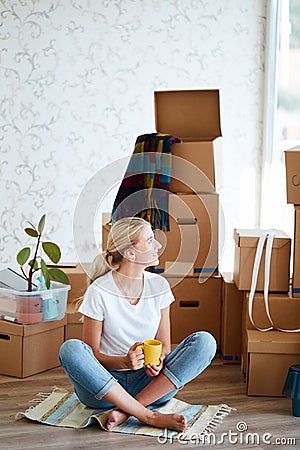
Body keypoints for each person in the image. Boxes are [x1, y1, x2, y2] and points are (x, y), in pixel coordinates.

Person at [59, 217, 216, 432]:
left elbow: (164, 345)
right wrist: (124, 362)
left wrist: (158, 362)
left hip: (149, 384)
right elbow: (91, 354)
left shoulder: (159, 285)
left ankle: (126, 411)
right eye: (150, 240)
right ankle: (147, 415)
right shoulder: (99, 291)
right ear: (130, 253)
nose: (158, 245)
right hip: (104, 388)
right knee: (71, 349)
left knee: (205, 342)